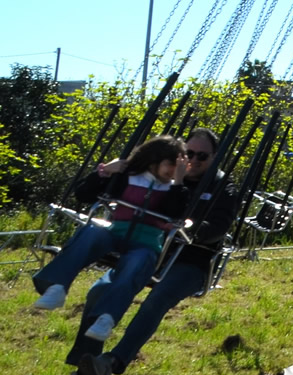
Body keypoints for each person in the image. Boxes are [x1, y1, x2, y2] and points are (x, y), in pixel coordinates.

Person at [45, 128, 244, 375]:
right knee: (99, 292)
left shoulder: (224, 188)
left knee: (156, 300)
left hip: (191, 260)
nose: (194, 160)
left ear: (214, 158)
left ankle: (111, 362)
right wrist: (109, 173)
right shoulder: (163, 174)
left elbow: (218, 228)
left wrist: (190, 228)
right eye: (188, 154)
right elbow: (110, 193)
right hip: (149, 251)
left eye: (202, 156)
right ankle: (84, 372)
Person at [32, 137, 189, 327]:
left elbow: (173, 212)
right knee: (91, 232)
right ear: (153, 160)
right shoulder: (127, 178)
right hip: (116, 233)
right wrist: (105, 172)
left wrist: (178, 183)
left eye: (179, 166)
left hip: (145, 245)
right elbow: (83, 195)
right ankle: (56, 286)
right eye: (171, 164)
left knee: (137, 263)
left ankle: (105, 317)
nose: (174, 170)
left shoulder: (176, 190)